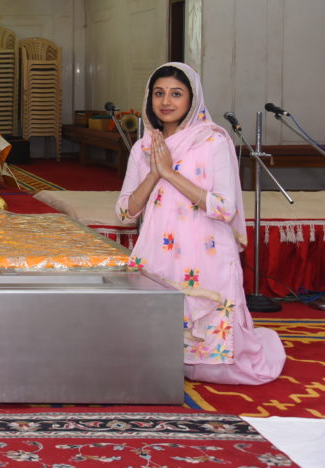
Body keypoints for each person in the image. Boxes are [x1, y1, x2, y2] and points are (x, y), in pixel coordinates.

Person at [116, 62, 284, 385]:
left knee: (215, 367)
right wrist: (155, 172)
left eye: (176, 94)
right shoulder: (143, 149)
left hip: (205, 252)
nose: (166, 101)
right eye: (159, 93)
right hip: (159, 251)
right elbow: (124, 213)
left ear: (192, 99)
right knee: (154, 357)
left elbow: (224, 207)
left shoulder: (213, 142)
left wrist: (170, 174)